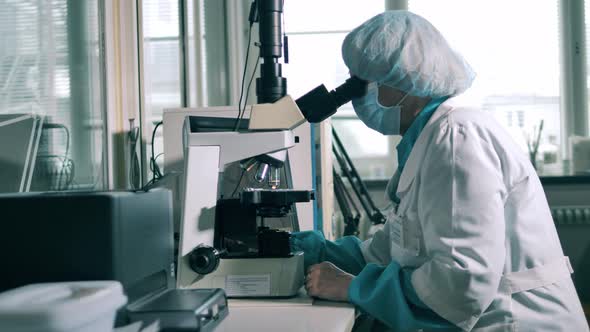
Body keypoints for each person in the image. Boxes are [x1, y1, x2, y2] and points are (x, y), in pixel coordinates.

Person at [292, 10, 589, 332]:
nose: (360, 97)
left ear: (406, 80)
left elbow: (461, 281)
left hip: (514, 323)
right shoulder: (429, 140)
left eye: (365, 82)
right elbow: (390, 251)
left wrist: (353, 287)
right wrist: (306, 249)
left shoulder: (456, 137)